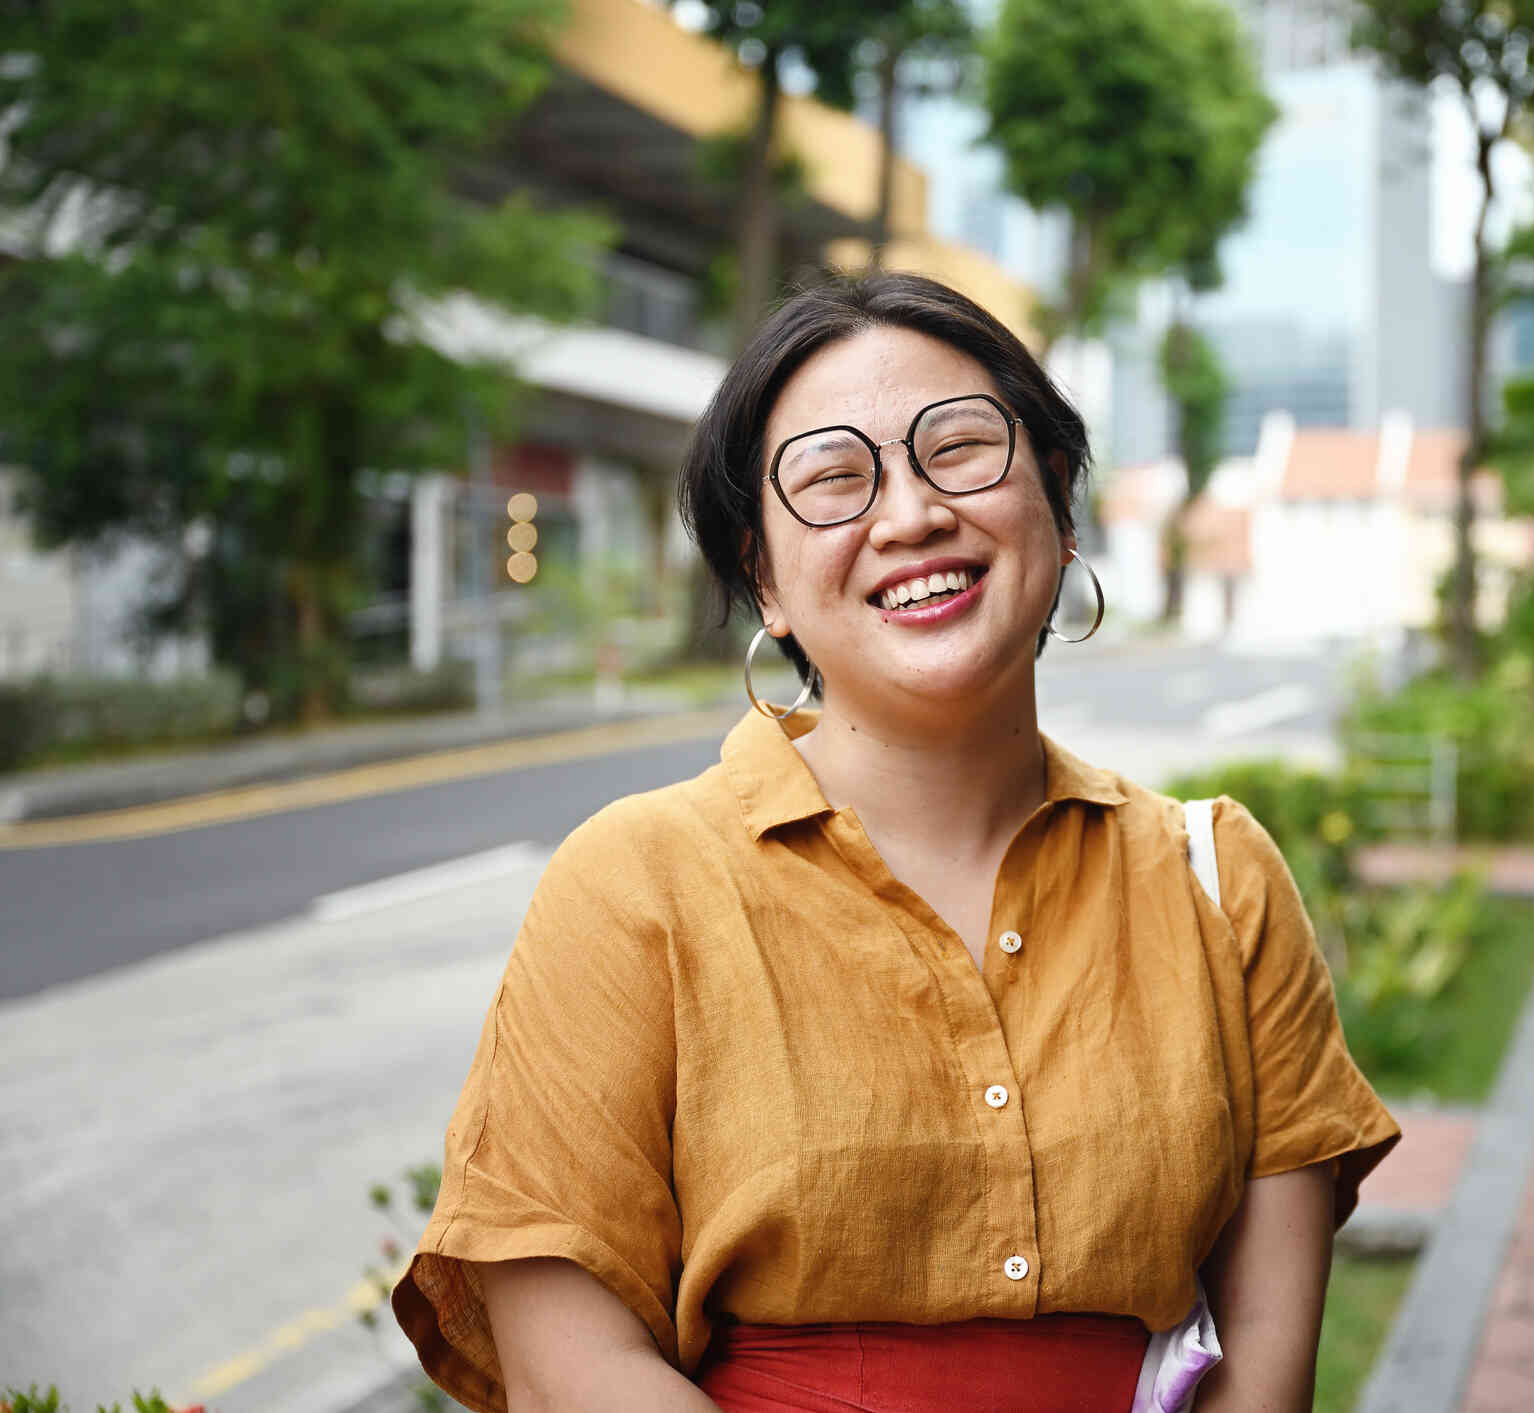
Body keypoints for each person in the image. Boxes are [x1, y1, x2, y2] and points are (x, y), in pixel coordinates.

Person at [392, 273, 1401, 1412]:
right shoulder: (635, 887)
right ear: (764, 577)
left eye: (959, 449)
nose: (910, 513)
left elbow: (1270, 1358)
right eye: (833, 479)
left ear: (1060, 505)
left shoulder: (1217, 883)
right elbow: (563, 1364)